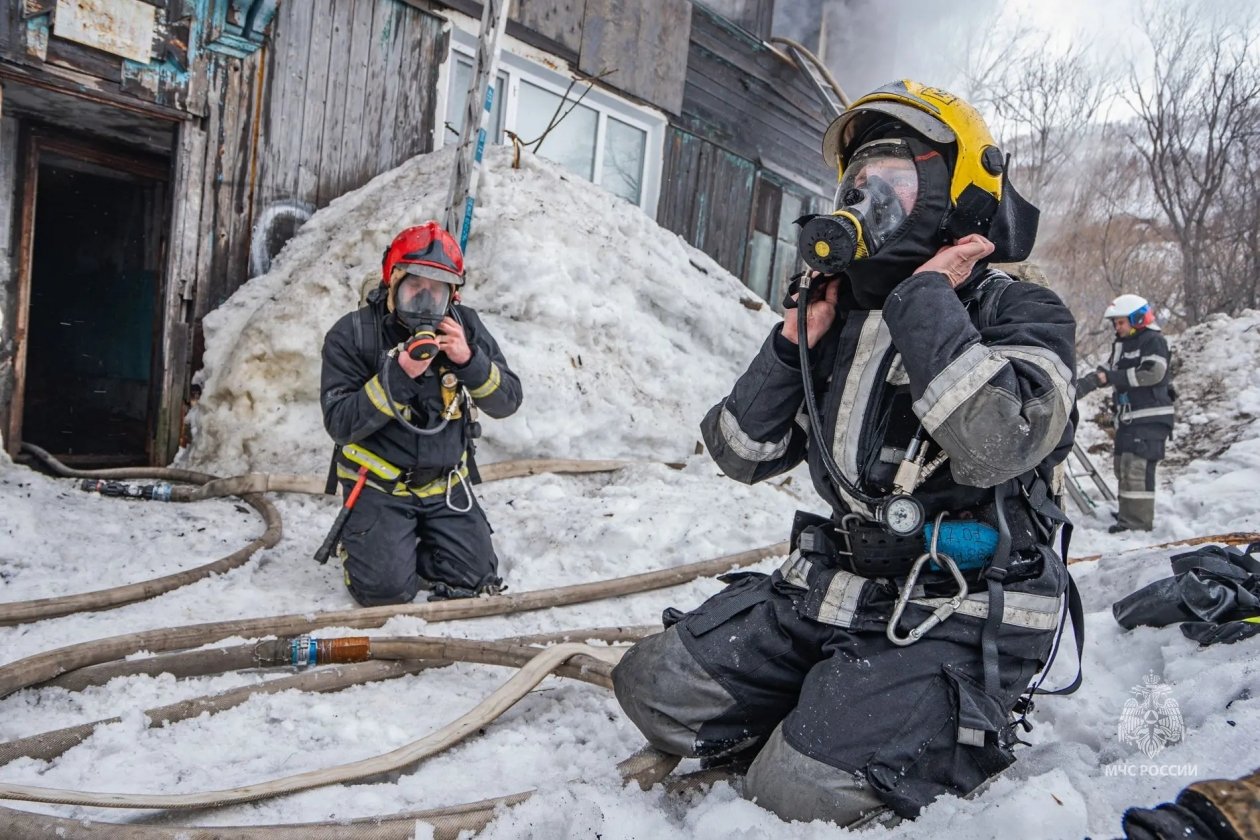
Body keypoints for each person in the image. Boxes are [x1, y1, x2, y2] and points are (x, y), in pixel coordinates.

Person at [612, 81, 1079, 826]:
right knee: (650, 686)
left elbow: (999, 445)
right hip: (833, 589)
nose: (869, 198)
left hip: (952, 604)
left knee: (796, 792)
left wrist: (928, 299)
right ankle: (830, 705)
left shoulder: (1017, 311)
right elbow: (740, 452)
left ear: (954, 196)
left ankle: (913, 723)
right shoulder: (840, 316)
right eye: (858, 182)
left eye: (893, 180)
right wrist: (793, 341)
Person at [320, 222, 522, 603]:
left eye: (438, 290)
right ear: (393, 282)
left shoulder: (466, 328)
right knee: (384, 592)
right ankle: (370, 547)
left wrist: (469, 360)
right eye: (416, 287)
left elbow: (508, 400)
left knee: (475, 579)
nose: (426, 301)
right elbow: (340, 423)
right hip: (380, 488)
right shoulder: (353, 335)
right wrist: (396, 377)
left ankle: (408, 541)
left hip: (445, 486)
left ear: (453, 295)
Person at [1076, 294, 1173, 533]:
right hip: (1129, 419)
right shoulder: (1121, 344)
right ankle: (1129, 515)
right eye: (1115, 323)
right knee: (1122, 467)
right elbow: (1106, 371)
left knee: (1136, 469)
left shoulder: (1153, 340)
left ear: (1138, 319)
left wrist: (1111, 377)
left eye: (1121, 322)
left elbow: (1153, 373)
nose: (1116, 327)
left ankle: (1136, 525)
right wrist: (1079, 386)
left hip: (1149, 418)